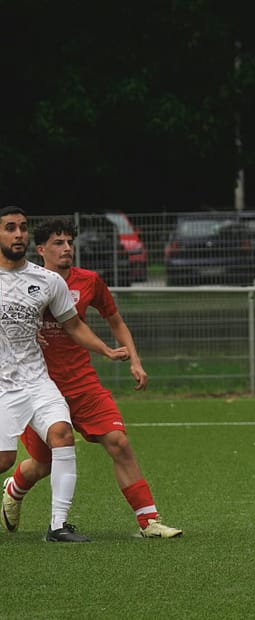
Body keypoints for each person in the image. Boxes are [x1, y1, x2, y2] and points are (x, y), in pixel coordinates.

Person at [1, 218, 182, 540]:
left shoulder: (87, 281)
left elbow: (111, 320)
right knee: (41, 464)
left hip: (82, 382)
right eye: (59, 243)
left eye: (70, 242)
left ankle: (148, 521)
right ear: (41, 249)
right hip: (37, 383)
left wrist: (132, 360)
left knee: (118, 442)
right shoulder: (21, 282)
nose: (67, 248)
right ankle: (15, 489)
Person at [0, 206, 130, 542]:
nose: (18, 235)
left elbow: (72, 325)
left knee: (62, 434)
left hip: (37, 381)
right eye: (10, 228)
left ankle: (58, 526)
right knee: (5, 459)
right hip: (2, 386)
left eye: (23, 228)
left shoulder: (48, 280)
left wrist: (106, 350)